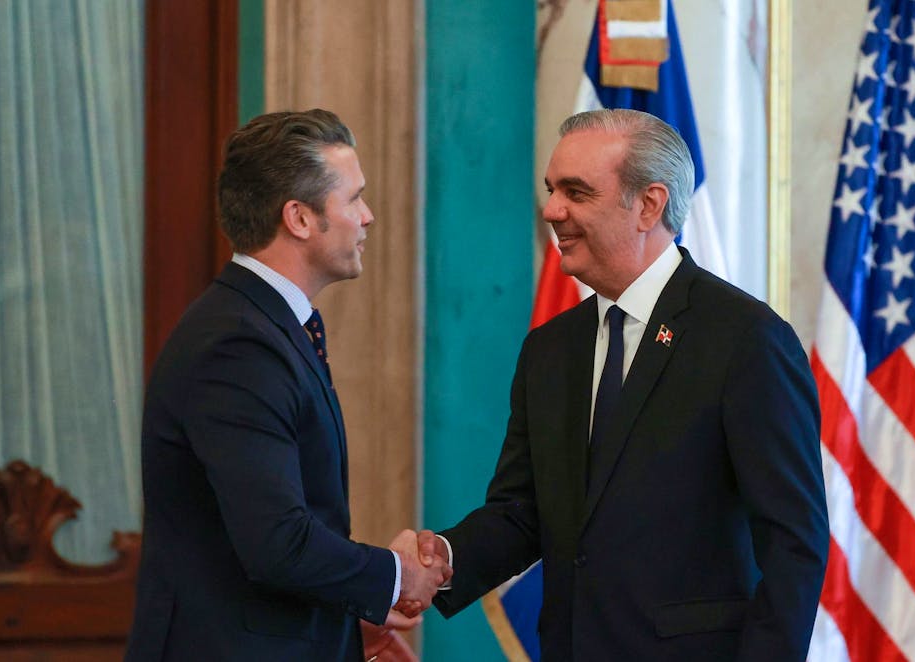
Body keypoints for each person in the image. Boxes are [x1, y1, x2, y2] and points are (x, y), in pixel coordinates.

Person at [418, 109, 829, 661]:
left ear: (649, 205)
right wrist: (443, 558)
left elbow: (793, 544)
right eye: (551, 190)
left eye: (576, 192)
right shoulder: (551, 348)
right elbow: (524, 510)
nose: (552, 210)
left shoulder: (745, 339)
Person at [126, 109, 449, 662]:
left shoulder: (261, 325)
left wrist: (349, 622)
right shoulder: (239, 346)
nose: (368, 217)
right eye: (353, 199)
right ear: (299, 218)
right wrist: (394, 575)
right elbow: (277, 544)